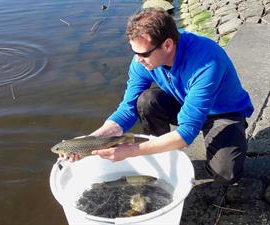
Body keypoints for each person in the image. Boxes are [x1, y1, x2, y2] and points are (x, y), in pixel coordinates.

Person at [66, 8, 254, 208]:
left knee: (225, 173)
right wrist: (94, 139)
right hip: (183, 101)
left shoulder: (207, 61)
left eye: (143, 53)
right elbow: (127, 109)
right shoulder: (142, 60)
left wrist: (130, 151)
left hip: (222, 112)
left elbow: (185, 133)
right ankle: (160, 153)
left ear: (167, 45)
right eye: (134, 52)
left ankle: (232, 135)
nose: (138, 59)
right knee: (146, 100)